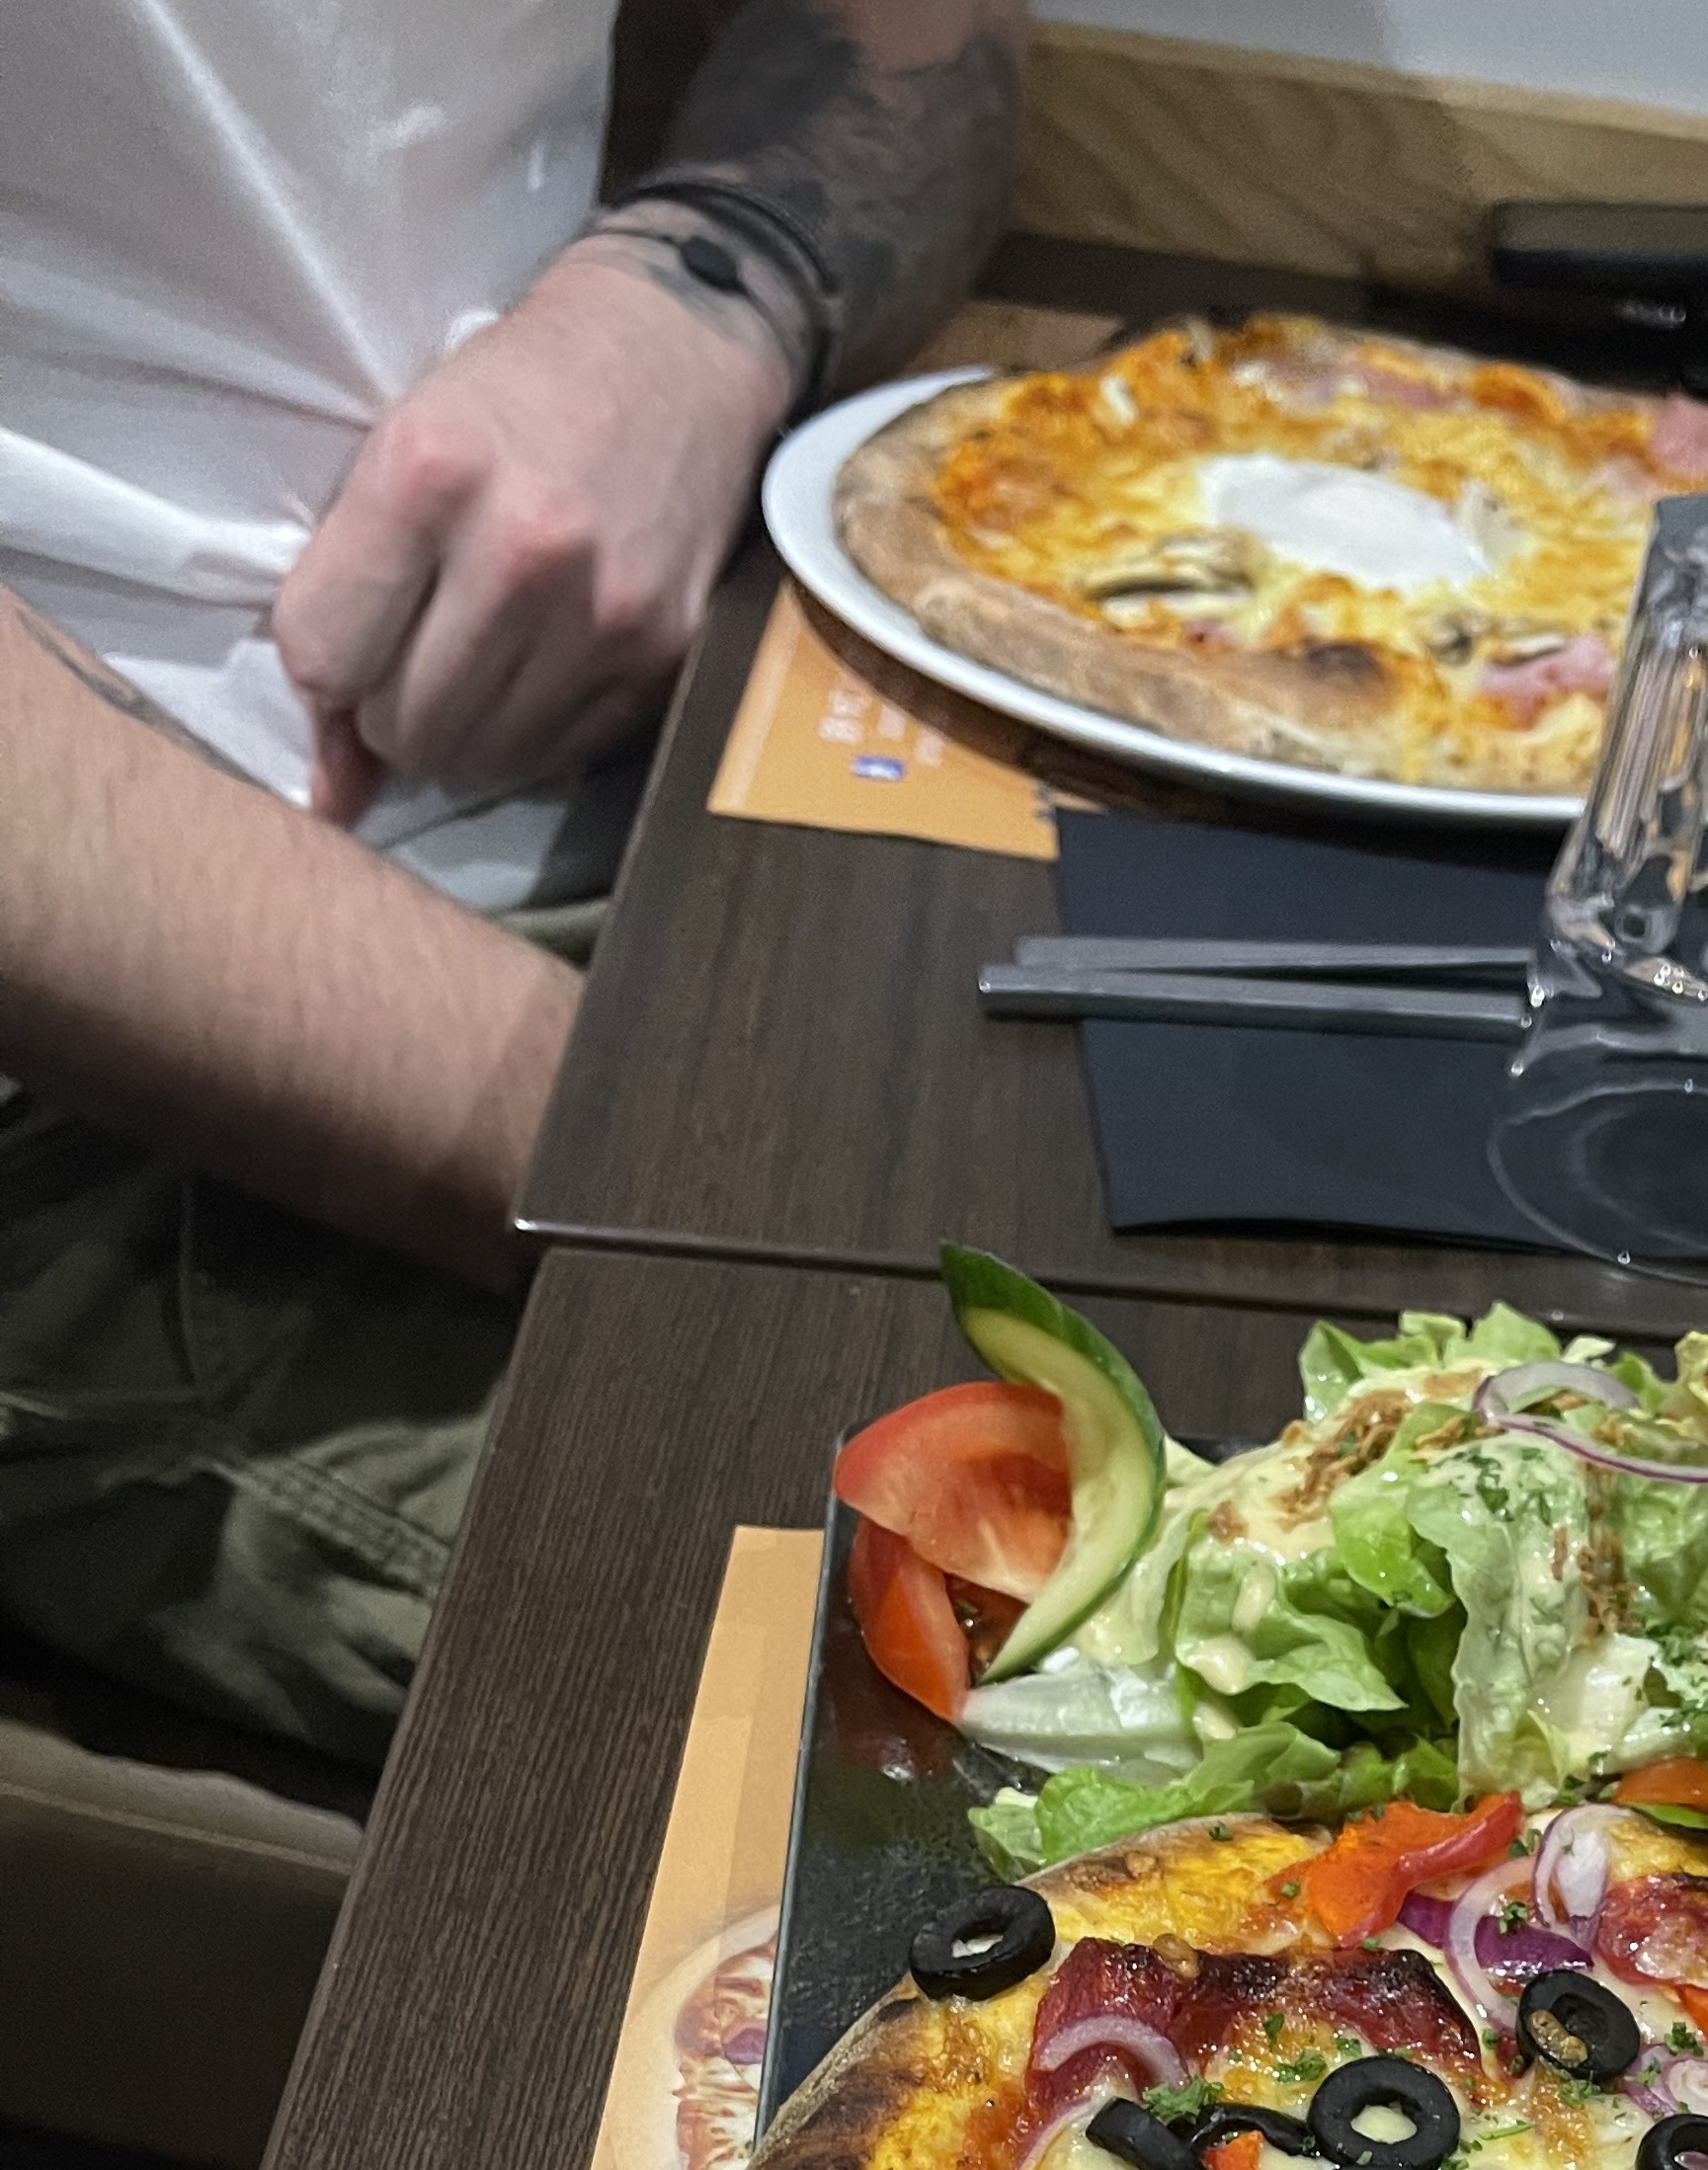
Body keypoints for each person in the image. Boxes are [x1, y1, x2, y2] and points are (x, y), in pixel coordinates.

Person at [0, 0, 1025, 1765]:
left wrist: (698, 296)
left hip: (697, 759)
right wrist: (718, 1181)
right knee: (1150, 1721)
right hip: (102, 1119)